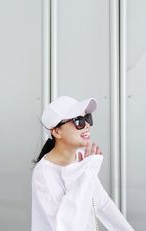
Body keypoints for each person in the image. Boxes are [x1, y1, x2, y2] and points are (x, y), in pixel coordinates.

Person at [31, 96, 135, 231]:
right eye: (78, 121)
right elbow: (66, 226)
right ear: (56, 131)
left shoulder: (80, 159)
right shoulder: (44, 173)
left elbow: (103, 204)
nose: (86, 125)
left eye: (87, 118)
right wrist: (88, 172)